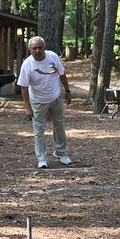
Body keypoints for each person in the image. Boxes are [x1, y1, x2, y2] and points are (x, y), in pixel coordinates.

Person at [17, 36, 72, 169]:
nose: (37, 50)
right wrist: (27, 107)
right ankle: (41, 158)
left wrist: (67, 91)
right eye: (34, 48)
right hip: (38, 101)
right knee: (39, 130)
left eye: (40, 47)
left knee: (59, 125)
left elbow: (62, 74)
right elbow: (23, 87)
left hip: (55, 97)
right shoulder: (27, 64)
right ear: (30, 50)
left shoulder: (52, 57)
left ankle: (61, 153)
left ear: (44, 47)